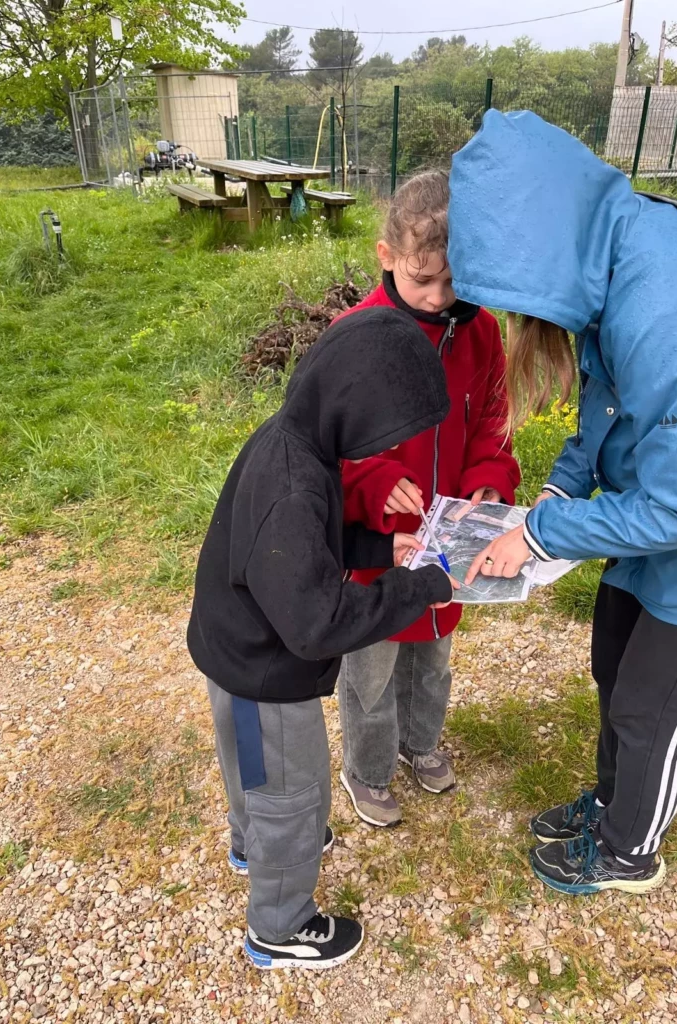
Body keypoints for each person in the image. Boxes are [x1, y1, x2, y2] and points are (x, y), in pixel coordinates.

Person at [447, 110, 677, 895]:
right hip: (649, 521)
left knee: (655, 710)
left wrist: (545, 531)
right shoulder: (610, 255)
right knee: (616, 674)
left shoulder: (667, 299)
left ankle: (630, 850)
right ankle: (613, 802)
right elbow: (610, 413)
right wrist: (556, 492)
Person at [187, 307, 456, 969]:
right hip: (270, 671)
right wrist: (418, 588)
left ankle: (256, 848)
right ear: (350, 413)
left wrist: (376, 545)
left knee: (252, 773)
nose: (379, 452)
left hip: (234, 652)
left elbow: (298, 551)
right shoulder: (296, 487)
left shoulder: (291, 442)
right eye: (381, 437)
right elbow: (318, 624)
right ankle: (279, 925)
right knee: (291, 791)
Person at [339, 171, 520, 827]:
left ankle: (421, 744)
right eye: (423, 281)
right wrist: (376, 482)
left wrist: (490, 480)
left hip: (448, 540)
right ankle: (366, 768)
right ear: (387, 259)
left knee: (435, 654)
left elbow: (492, 422)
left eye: (455, 282)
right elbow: (327, 445)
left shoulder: (480, 333)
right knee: (373, 668)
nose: (440, 298)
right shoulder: (356, 335)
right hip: (379, 549)